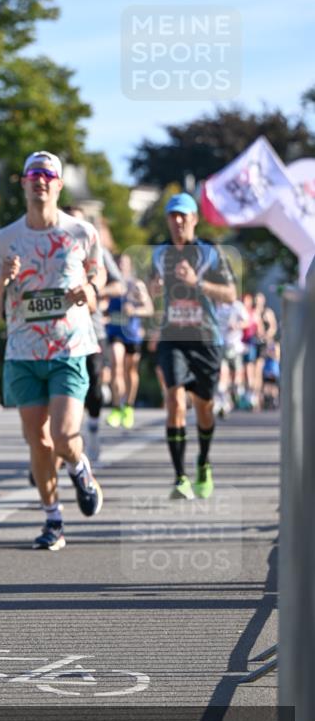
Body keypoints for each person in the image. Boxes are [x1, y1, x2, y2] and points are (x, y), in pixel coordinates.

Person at [0, 150, 105, 551]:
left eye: (48, 174)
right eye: (34, 173)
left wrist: (90, 289)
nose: (41, 180)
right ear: (23, 183)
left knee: (66, 437)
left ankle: (80, 468)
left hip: (69, 347)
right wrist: (3, 278)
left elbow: (98, 275)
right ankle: (53, 519)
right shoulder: (5, 239)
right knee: (38, 441)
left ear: (59, 184)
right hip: (22, 351)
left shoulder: (81, 233)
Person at [150, 193, 236, 500]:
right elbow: (152, 289)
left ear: (194, 219)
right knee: (174, 400)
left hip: (205, 340)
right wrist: (153, 289)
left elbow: (230, 294)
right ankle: (180, 477)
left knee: (204, 408)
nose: (177, 222)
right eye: (172, 216)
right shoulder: (159, 253)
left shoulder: (211, 254)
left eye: (183, 216)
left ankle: (203, 461)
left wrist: (196, 283)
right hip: (173, 337)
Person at [61, 207, 125, 465]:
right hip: (62, 330)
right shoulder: (54, 251)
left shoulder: (99, 251)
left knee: (94, 384)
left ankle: (94, 428)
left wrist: (91, 290)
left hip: (93, 329)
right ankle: (60, 444)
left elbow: (119, 285)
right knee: (65, 387)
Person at [105, 254, 153, 430]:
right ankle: (117, 408)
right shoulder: (110, 285)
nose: (121, 267)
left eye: (124, 264)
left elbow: (149, 309)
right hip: (115, 331)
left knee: (130, 370)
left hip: (132, 333)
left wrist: (134, 310)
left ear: (129, 266)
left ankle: (129, 407)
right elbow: (102, 307)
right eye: (118, 264)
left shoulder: (136, 285)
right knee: (116, 364)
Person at [214, 297, 249, 416]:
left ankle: (233, 393)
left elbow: (247, 321)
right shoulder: (216, 305)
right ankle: (224, 400)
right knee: (222, 373)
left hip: (234, 345)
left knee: (235, 377)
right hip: (220, 344)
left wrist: (237, 325)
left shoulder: (237, 305)